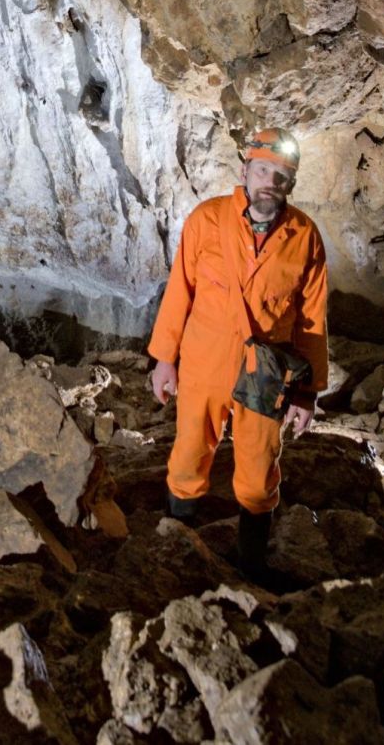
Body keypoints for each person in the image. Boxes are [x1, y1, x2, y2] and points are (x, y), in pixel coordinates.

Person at [147, 127, 328, 576]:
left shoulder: (304, 236)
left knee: (260, 466)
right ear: (245, 170)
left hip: (266, 371)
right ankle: (175, 550)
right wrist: (165, 359)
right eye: (263, 170)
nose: (270, 181)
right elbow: (179, 293)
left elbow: (312, 319)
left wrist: (308, 395)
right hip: (205, 360)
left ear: (290, 184)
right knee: (189, 453)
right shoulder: (207, 220)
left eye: (281, 176)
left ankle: (251, 567)